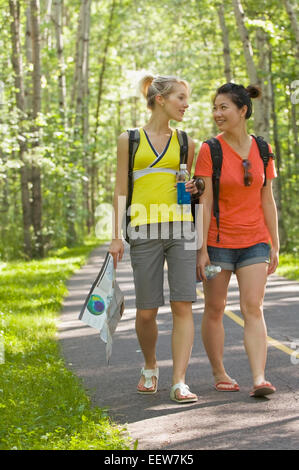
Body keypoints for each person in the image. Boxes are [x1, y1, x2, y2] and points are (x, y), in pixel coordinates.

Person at [109, 75, 200, 403]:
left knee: (183, 305)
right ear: (160, 99)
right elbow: (121, 188)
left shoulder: (187, 142)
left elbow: (195, 187)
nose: (185, 104)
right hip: (143, 230)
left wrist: (194, 188)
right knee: (146, 310)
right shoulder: (129, 140)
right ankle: (150, 364)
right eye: (180, 97)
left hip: (181, 229)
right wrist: (115, 235)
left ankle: (179, 381)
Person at [195, 82, 279, 397]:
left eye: (223, 107)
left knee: (252, 306)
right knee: (215, 307)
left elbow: (267, 198)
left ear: (242, 110)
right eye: (214, 108)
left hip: (255, 240)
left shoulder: (263, 149)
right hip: (217, 242)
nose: (217, 113)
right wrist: (202, 249)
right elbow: (204, 202)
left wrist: (274, 241)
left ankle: (259, 378)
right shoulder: (209, 150)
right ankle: (220, 372)